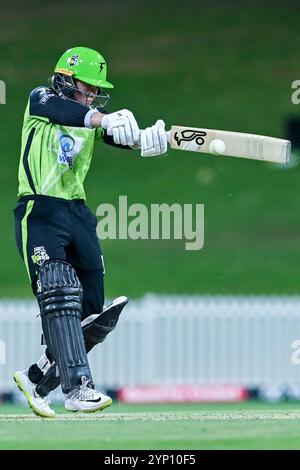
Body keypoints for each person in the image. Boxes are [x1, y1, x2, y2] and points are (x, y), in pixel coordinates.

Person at [13, 46, 168, 418]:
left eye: (98, 90)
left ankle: (37, 379)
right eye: (89, 86)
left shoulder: (88, 117)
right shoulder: (42, 99)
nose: (93, 94)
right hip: (41, 209)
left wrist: (145, 138)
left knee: (91, 312)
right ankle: (78, 389)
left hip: (77, 213)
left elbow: (114, 134)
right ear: (66, 79)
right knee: (58, 287)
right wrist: (103, 118)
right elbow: (70, 113)